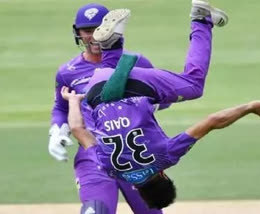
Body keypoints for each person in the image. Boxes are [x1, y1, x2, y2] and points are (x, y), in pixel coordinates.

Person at [61, 0, 248, 210]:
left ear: (164, 176)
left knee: (194, 85)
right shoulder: (110, 167)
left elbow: (213, 121)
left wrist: (250, 107)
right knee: (108, 77)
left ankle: (202, 19)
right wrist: (75, 102)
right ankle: (111, 46)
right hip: (96, 88)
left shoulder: (165, 157)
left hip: (135, 91)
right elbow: (78, 129)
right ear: (139, 190)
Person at [49, 3, 165, 214]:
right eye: (87, 31)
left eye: (100, 29)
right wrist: (57, 130)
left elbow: (164, 95)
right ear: (78, 33)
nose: (94, 36)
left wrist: (148, 102)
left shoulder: (137, 62)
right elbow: (60, 107)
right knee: (96, 211)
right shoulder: (68, 72)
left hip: (136, 155)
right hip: (93, 155)